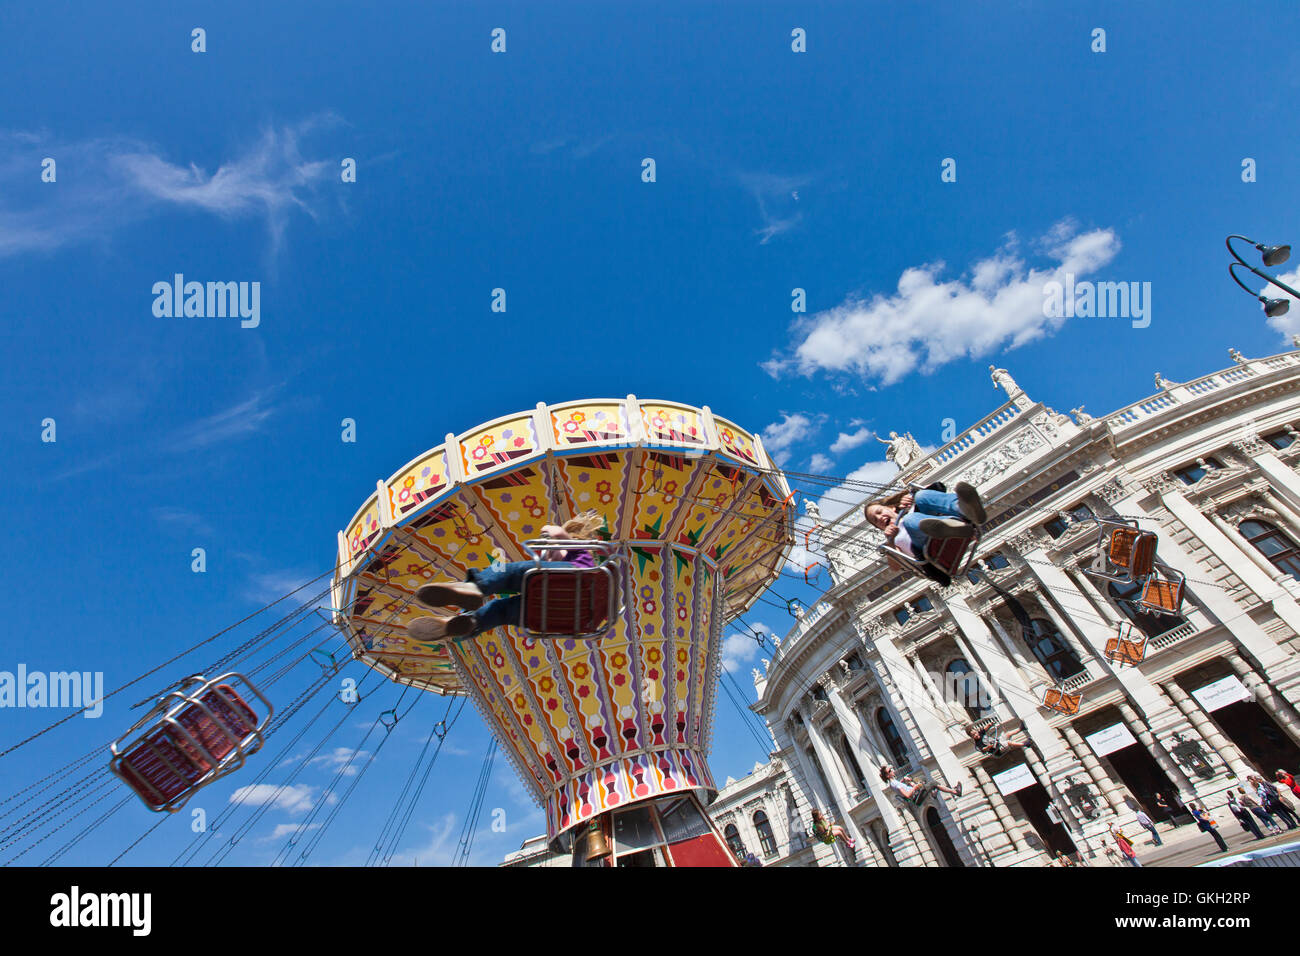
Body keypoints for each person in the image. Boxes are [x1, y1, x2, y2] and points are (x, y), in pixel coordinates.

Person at [406, 510, 604, 642]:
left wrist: (548, 530)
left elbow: (558, 532)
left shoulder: (578, 555)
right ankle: (465, 622)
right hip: (570, 616)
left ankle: (476, 588)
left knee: (504, 570)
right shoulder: (581, 565)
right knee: (500, 610)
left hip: (555, 605)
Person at [865, 482, 987, 587]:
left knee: (921, 496)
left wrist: (912, 496)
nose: (879, 517)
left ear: (891, 508)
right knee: (910, 520)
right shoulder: (892, 541)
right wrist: (890, 541)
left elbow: (938, 489)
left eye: (879, 512)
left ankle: (965, 511)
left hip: (943, 526)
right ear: (878, 527)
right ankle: (945, 527)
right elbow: (895, 567)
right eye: (875, 520)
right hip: (927, 551)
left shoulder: (911, 511)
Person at [880, 764, 963, 804]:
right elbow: (907, 795)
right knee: (933, 783)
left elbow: (899, 788)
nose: (893, 771)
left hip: (916, 795)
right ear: (887, 775)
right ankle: (956, 792)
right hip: (916, 796)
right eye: (890, 770)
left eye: (892, 769)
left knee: (922, 778)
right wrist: (915, 787)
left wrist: (903, 780)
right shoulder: (895, 784)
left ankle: (933, 794)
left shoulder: (892, 783)